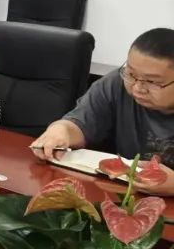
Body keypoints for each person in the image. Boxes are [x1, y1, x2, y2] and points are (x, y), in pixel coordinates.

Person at [30, 28, 174, 195]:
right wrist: (60, 131)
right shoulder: (115, 84)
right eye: (131, 74)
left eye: (152, 82)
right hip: (124, 194)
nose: (137, 88)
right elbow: (80, 124)